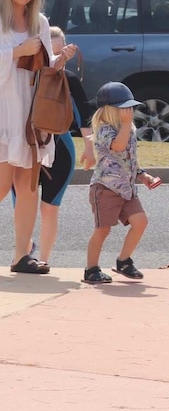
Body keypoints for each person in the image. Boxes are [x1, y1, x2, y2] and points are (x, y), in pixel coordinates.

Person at [0, 0, 77, 275]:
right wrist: (16, 52)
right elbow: (21, 56)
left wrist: (59, 60)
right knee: (3, 183)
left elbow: (44, 67)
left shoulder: (41, 23)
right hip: (3, 111)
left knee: (28, 185)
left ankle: (22, 255)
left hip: (30, 114)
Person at [11, 26, 94, 266]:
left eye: (61, 54)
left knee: (50, 208)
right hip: (26, 145)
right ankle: (24, 253)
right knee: (21, 206)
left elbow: (83, 114)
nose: (57, 60)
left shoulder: (68, 80)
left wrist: (89, 146)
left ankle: (44, 259)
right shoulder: (24, 76)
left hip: (60, 148)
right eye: (52, 53)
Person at [83, 81, 161, 284]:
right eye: (124, 108)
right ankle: (91, 269)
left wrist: (143, 176)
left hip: (126, 189)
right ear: (109, 110)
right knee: (103, 229)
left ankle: (124, 261)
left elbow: (129, 159)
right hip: (106, 189)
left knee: (140, 222)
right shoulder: (103, 130)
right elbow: (117, 147)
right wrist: (126, 125)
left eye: (130, 107)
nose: (129, 111)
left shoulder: (130, 130)